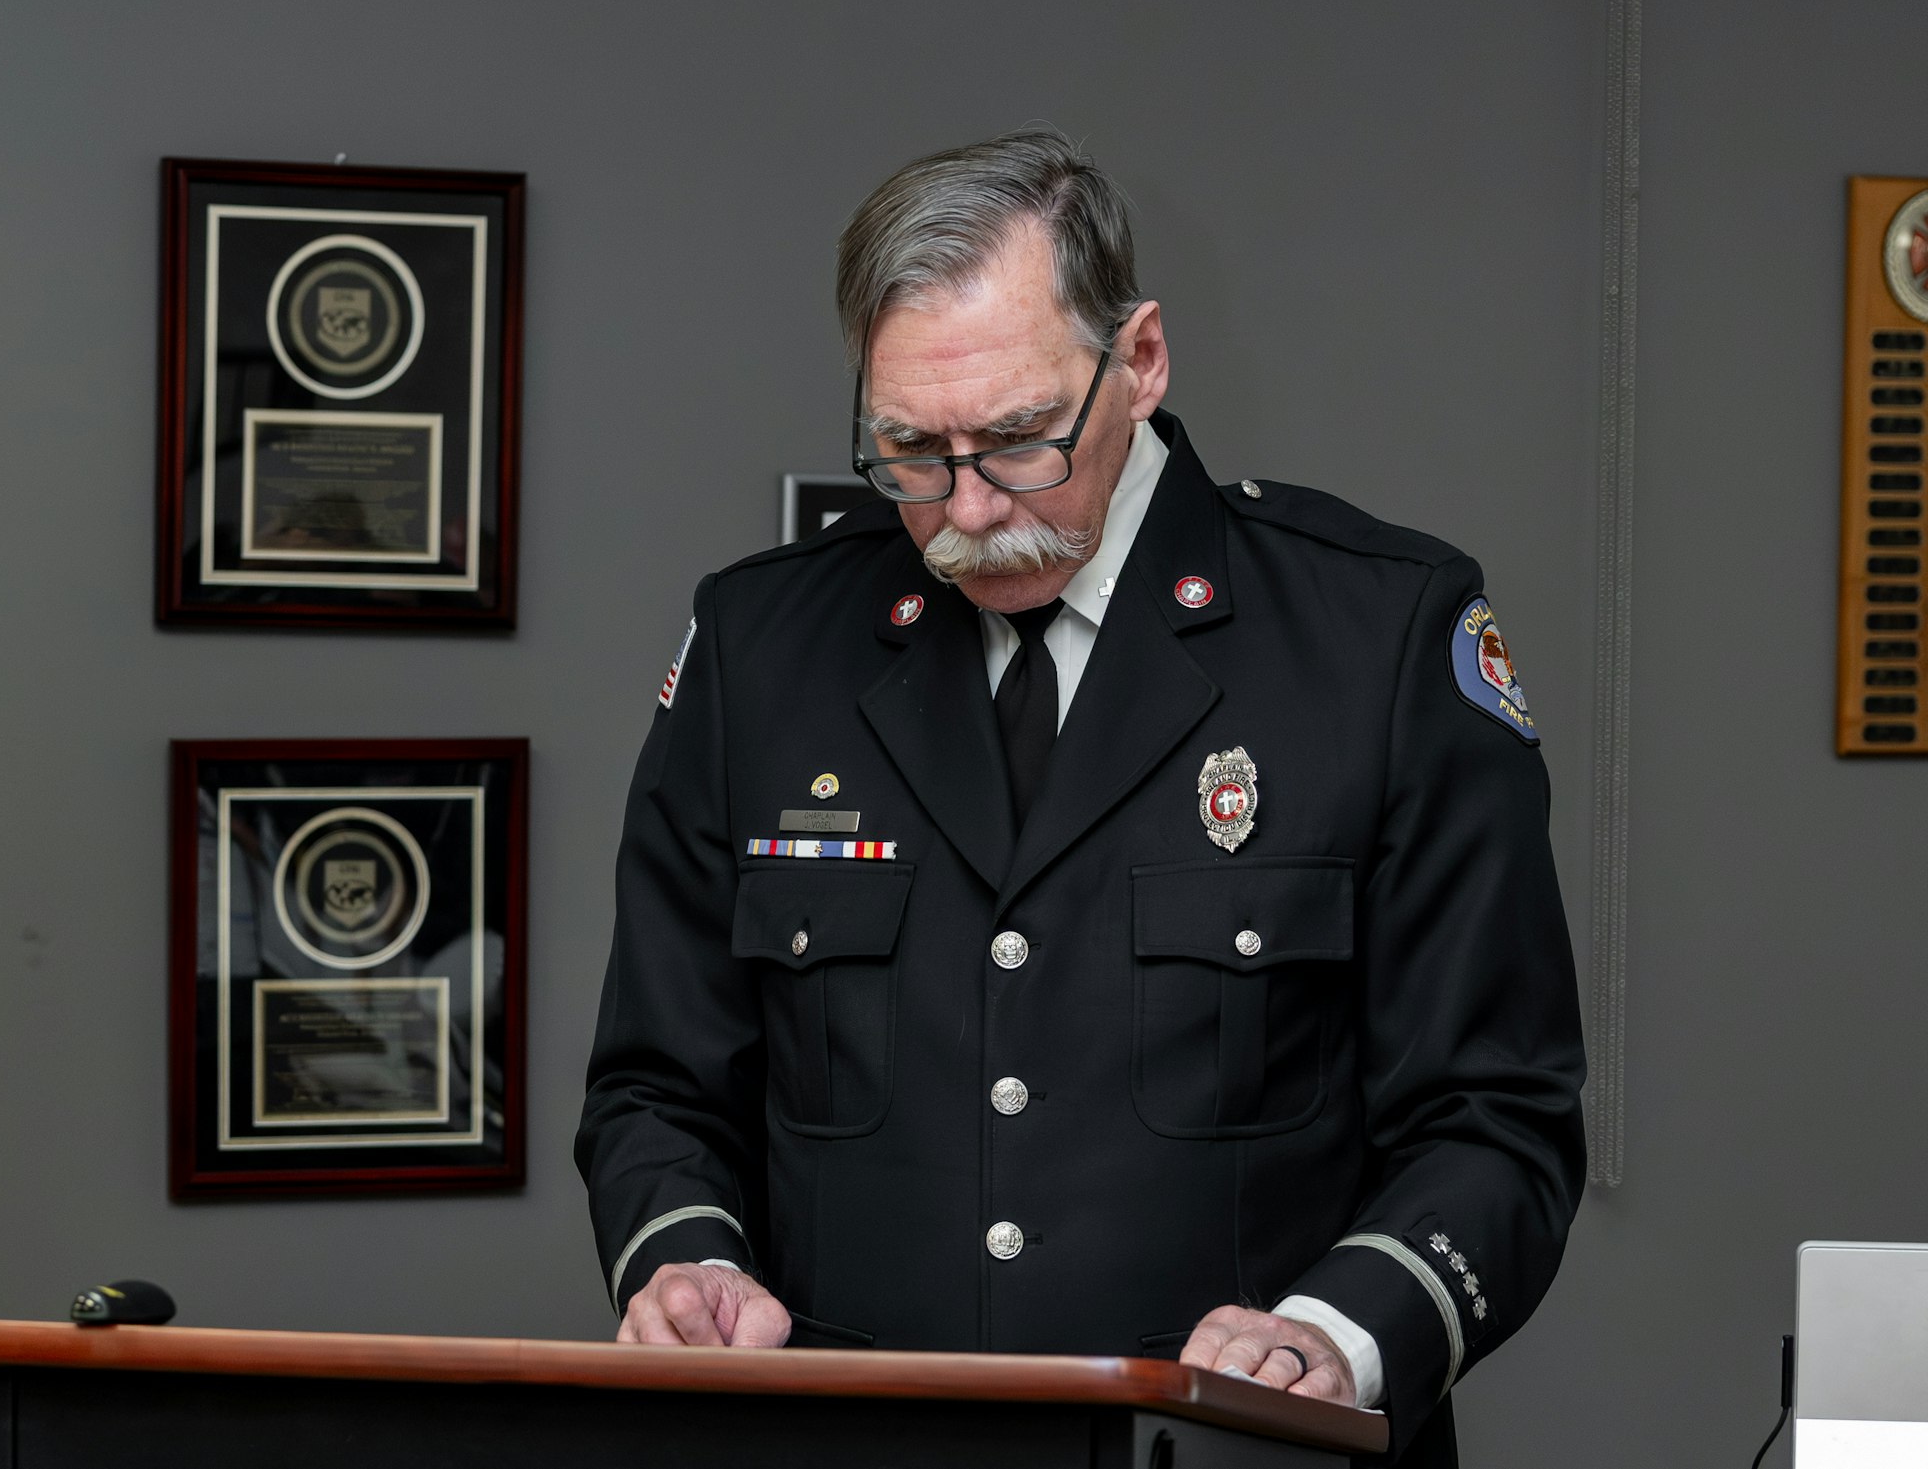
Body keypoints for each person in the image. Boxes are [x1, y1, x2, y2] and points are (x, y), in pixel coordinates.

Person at [575, 131, 1585, 1467]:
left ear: (1142, 361)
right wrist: (683, 1258)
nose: (968, 509)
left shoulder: (1380, 637)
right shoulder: (762, 650)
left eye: (1015, 441)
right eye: (909, 453)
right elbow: (657, 1082)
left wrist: (1342, 1331)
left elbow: (1496, 1116)